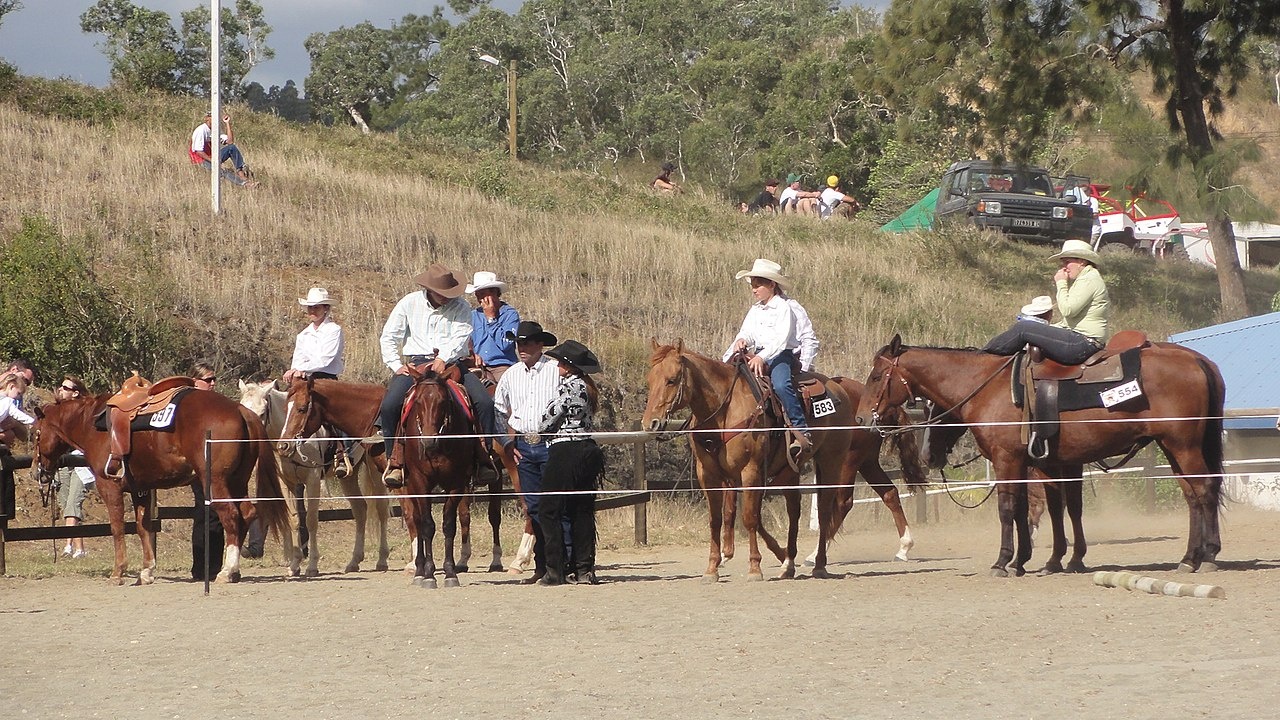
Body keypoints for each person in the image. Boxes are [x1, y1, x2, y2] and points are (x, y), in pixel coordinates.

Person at [376, 264, 473, 487]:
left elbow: (461, 336)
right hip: (417, 363)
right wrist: (394, 364)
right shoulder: (409, 303)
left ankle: (483, 456)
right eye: (442, 293)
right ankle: (395, 460)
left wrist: (443, 358)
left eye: (450, 294)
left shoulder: (462, 307)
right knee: (390, 405)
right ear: (429, 289)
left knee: (483, 402)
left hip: (450, 363)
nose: (447, 298)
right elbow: (389, 336)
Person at [724, 258, 818, 459]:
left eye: (758, 285)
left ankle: (801, 429)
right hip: (757, 353)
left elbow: (781, 339)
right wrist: (741, 340)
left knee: (782, 385)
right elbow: (747, 332)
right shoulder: (755, 310)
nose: (754, 290)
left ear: (771, 285)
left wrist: (761, 357)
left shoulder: (784, 307)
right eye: (753, 286)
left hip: (780, 355)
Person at [492, 320, 561, 583]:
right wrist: (508, 444)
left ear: (540, 344)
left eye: (528, 343)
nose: (522, 348)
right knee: (533, 507)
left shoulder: (555, 370)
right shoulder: (511, 375)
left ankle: (560, 564)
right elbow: (499, 411)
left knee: (555, 505)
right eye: (519, 343)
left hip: (550, 443)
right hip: (523, 445)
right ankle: (541, 566)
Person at [536, 340, 605, 586]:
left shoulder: (569, 388)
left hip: (565, 449)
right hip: (586, 448)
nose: (557, 366)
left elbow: (547, 421)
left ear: (569, 366)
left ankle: (555, 569)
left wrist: (539, 429)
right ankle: (584, 568)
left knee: (549, 509)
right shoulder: (586, 387)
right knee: (581, 509)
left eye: (561, 363)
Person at [983, 240, 1112, 365]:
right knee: (1029, 327)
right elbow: (1070, 321)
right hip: (1082, 340)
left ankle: (985, 357)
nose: (1064, 268)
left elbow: (1068, 310)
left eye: (1067, 262)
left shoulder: (1089, 280)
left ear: (1082, 261)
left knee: (1023, 328)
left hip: (1083, 343)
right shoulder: (1086, 278)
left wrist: (1061, 283)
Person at [465, 271, 520, 444]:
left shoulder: (510, 315)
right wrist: (473, 353)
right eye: (478, 293)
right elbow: (467, 341)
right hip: (478, 365)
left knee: (510, 400)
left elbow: (506, 344)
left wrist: (491, 318)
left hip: (502, 365)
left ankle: (511, 438)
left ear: (496, 292)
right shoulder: (472, 316)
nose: (480, 297)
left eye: (484, 293)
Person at [190, 360, 227, 578]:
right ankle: (200, 567)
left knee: (218, 514)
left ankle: (215, 565)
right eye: (208, 380)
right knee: (204, 512)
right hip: (197, 467)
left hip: (216, 465)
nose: (213, 383)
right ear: (196, 381)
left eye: (214, 379)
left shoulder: (216, 404)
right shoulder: (191, 406)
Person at [52, 376, 94, 559]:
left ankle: (68, 546)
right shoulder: (57, 411)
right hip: (63, 461)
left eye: (65, 387)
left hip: (81, 461)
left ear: (75, 392)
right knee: (66, 505)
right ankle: (79, 549)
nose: (61, 390)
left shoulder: (85, 411)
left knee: (73, 503)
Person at [189, 112, 257, 188]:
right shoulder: (201, 130)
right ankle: (245, 184)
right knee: (221, 170)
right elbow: (198, 151)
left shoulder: (215, 130)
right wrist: (214, 161)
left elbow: (230, 141)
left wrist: (227, 123)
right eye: (213, 117)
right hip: (201, 160)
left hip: (211, 157)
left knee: (232, 148)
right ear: (207, 118)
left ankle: (241, 174)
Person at [0, 373, 35, 448]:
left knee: (9, 434)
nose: (18, 397)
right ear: (11, 386)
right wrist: (33, 421)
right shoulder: (8, 401)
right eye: (18, 393)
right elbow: (17, 414)